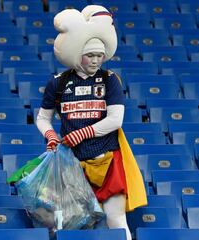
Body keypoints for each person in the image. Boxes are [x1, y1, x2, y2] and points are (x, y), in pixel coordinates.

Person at [36, 5, 147, 240]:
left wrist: (84, 133)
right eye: (91, 55)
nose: (96, 60)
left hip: (106, 158)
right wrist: (51, 135)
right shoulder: (57, 83)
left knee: (116, 219)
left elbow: (116, 119)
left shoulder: (110, 80)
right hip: (71, 164)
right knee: (69, 221)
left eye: (100, 55)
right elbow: (43, 118)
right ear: (77, 53)